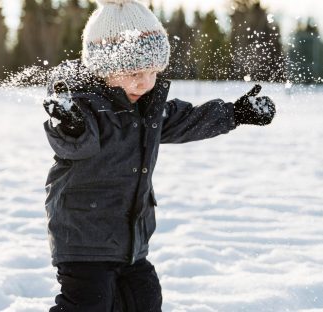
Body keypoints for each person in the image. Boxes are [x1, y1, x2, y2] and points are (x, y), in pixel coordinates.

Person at [41, 0, 276, 311]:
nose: (145, 81)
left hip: (130, 241)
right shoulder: (84, 107)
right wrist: (68, 122)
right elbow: (75, 143)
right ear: (104, 68)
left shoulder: (147, 110)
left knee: (145, 299)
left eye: (153, 71)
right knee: (89, 305)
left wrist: (236, 112)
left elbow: (189, 120)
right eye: (135, 71)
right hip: (84, 240)